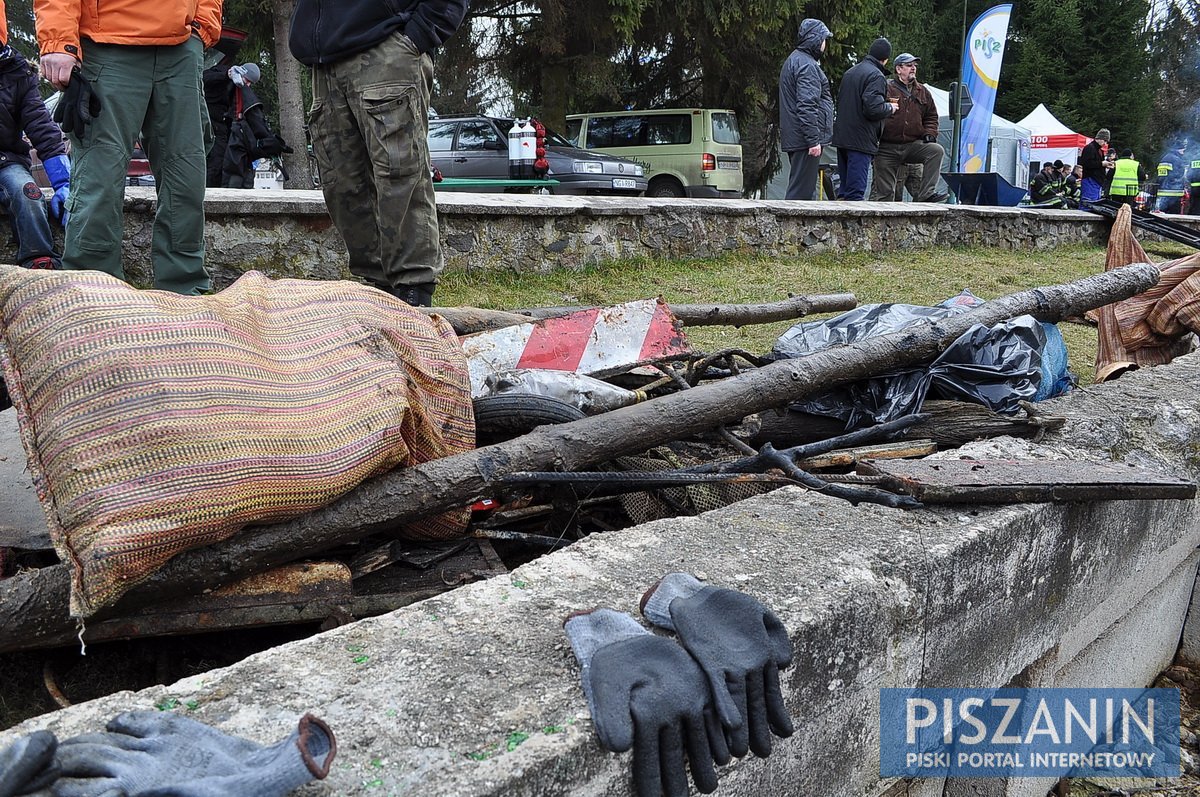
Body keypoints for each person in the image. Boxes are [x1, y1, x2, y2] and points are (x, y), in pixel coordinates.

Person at [289, 1, 468, 308]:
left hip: (386, 49)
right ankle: (378, 286)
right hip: (327, 61)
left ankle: (414, 290)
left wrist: (417, 36)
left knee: (400, 172)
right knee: (342, 183)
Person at [35, 0, 220, 295]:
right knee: (100, 176)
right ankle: (92, 291)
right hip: (107, 43)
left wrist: (202, 29)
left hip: (182, 47)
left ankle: (185, 292)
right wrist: (59, 42)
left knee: (187, 177)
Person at [0, 14, 70, 271]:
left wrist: (63, 181)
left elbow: (40, 126)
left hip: (6, 160)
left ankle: (40, 260)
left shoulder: (17, 72)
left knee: (28, 193)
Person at [868, 52, 947, 203]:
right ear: (899, 69)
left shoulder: (923, 91)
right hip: (886, 147)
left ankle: (927, 194)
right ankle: (880, 223)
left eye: (915, 66)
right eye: (909, 65)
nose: (913, 68)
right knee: (885, 195)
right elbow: (873, 111)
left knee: (936, 151)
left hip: (912, 145)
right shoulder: (886, 87)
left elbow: (931, 116)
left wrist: (930, 133)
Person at [206, 63, 290, 189]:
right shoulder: (224, 72)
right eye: (248, 81)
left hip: (223, 130)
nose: (248, 85)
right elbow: (204, 78)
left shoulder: (240, 90)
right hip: (210, 125)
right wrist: (227, 75)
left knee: (222, 164)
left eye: (251, 83)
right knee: (215, 163)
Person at [831, 37, 896, 201]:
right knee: (855, 195)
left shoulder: (850, 72)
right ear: (886, 59)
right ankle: (852, 227)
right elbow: (872, 109)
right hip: (860, 141)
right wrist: (890, 108)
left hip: (843, 138)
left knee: (843, 193)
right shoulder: (876, 76)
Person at [779, 19, 834, 201]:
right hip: (804, 140)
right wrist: (813, 140)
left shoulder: (796, 60)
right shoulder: (807, 65)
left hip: (798, 137)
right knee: (800, 195)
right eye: (824, 39)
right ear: (816, 40)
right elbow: (806, 105)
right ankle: (791, 229)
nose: (825, 45)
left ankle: (800, 229)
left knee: (804, 192)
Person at [1078, 128, 1111, 204]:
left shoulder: (1100, 151)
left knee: (1094, 204)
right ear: (1099, 138)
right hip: (1090, 179)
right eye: (1105, 141)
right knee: (1088, 203)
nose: (1105, 144)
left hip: (1097, 181)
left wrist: (1105, 165)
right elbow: (1086, 163)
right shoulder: (1089, 148)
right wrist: (1102, 164)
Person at [1155, 138, 1188, 215]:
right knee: (1174, 216)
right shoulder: (1177, 159)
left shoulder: (1164, 158)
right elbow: (1179, 175)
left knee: (1163, 215)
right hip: (1174, 192)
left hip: (1163, 191)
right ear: (1178, 150)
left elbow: (1161, 176)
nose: (1183, 153)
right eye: (1183, 150)